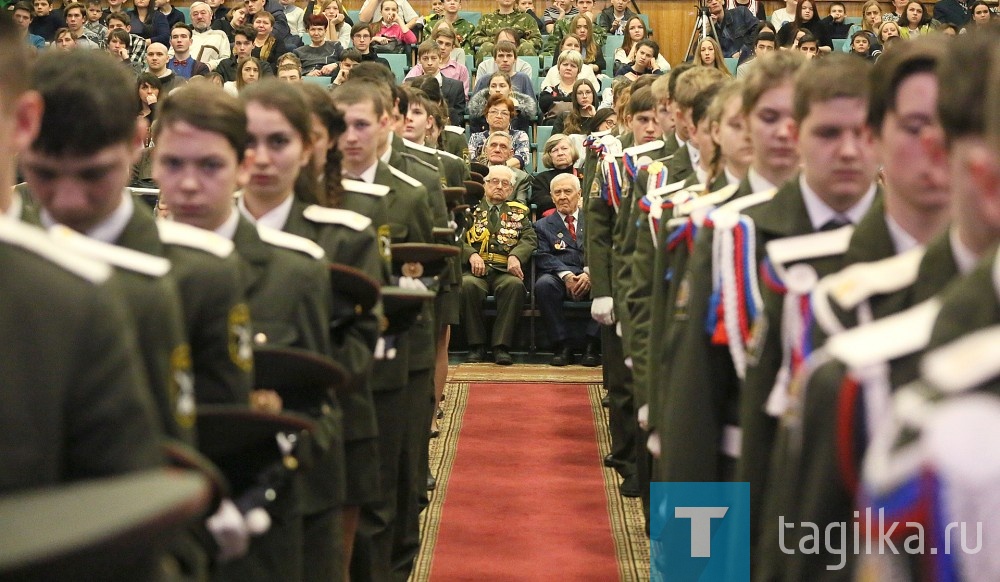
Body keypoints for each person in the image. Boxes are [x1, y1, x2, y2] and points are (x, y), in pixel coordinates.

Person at [757, 37, 952, 580]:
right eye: (916, 127)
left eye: (959, 127)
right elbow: (761, 460)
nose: (939, 146)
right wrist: (701, 561)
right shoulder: (813, 293)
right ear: (880, 137)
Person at [0, 9, 163, 496]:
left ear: (24, 122)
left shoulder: (117, 293)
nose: (68, 199)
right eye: (47, 174)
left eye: (92, 174)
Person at [461, 164, 537, 365]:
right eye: (494, 181)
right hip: (476, 270)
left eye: (505, 183)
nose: (499, 186)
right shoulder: (471, 211)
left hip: (505, 269)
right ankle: (476, 345)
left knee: (515, 286)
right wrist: (471, 254)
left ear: (511, 190)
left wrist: (516, 256)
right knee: (467, 286)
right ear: (485, 185)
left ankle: (500, 346)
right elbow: (456, 238)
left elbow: (529, 239)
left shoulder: (518, 213)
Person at [533, 172, 600, 366]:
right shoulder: (541, 225)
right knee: (543, 285)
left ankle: (592, 345)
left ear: (579, 194)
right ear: (552, 197)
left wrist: (590, 273)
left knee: (611, 282)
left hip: (593, 272)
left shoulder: (595, 221)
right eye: (558, 192)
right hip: (560, 274)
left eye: (567, 191)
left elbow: (605, 250)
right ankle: (562, 345)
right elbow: (543, 255)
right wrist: (567, 275)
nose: (562, 196)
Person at [404, 40, 468, 121]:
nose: (429, 63)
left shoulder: (456, 86)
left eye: (433, 58)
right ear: (419, 60)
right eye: (425, 58)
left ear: (440, 59)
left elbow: (459, 117)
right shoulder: (410, 83)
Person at [468, 0, 543, 64]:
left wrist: (515, 41)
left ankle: (526, 79)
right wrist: (497, 40)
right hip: (495, 51)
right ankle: (486, 80)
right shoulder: (486, 19)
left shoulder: (527, 18)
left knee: (527, 47)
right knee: (486, 47)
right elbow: (474, 40)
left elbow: (538, 41)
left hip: (518, 52)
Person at [469, 95, 529, 169]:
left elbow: (522, 159)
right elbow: (471, 161)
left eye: (504, 113)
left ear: (510, 118)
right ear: (487, 117)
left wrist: (496, 170)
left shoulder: (520, 136)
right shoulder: (475, 137)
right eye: (494, 112)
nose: (499, 116)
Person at [405, 31, 470, 97]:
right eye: (440, 43)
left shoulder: (461, 70)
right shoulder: (419, 68)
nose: (442, 47)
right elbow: (406, 90)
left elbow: (463, 98)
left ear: (452, 48)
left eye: (447, 44)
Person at [467, 70, 536, 133]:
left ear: (510, 89)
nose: (497, 90)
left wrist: (516, 109)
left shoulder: (521, 114)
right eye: (493, 86)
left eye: (502, 86)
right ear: (489, 90)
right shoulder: (477, 114)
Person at [531, 132, 579, 214]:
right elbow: (541, 202)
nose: (560, 153)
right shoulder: (542, 178)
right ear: (549, 156)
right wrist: (574, 201)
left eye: (564, 148)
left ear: (572, 151)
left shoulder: (585, 175)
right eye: (555, 150)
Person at [186, 1, 231, 70]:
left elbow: (226, 59)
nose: (199, 17)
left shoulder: (220, 35)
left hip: (209, 75)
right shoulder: (184, 35)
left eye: (203, 13)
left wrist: (209, 65)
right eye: (195, 14)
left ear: (211, 15)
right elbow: (170, 56)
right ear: (191, 18)